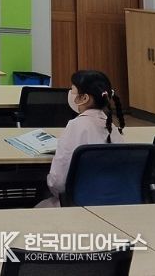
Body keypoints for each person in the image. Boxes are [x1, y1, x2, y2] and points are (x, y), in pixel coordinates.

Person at [36, 70, 125, 208]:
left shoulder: (75, 126)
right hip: (114, 202)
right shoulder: (113, 129)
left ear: (84, 98)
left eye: (72, 90)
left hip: (76, 205)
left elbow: (58, 183)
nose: (70, 94)